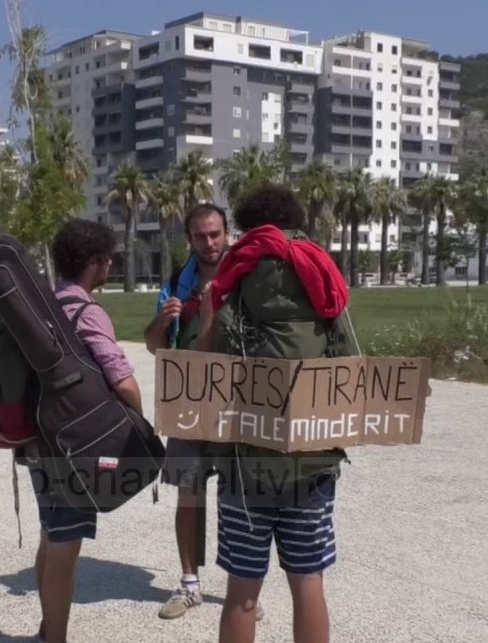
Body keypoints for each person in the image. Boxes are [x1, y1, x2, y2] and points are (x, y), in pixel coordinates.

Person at [193, 184, 350, 643]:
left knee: (242, 589)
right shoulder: (324, 276)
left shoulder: (233, 281)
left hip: (245, 465)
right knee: (308, 583)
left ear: (247, 226)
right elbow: (351, 368)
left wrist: (208, 313)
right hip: (312, 460)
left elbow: (203, 373)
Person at [145, 203, 267, 622]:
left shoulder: (248, 278)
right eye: (201, 236)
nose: (210, 242)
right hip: (190, 403)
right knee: (190, 494)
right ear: (190, 239)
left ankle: (244, 590)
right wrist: (163, 321)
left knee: (242, 498)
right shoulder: (177, 285)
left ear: (227, 232)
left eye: (216, 234)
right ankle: (190, 584)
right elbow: (153, 345)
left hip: (238, 402)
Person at [27, 217, 145, 643]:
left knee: (50, 534)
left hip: (40, 440)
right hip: (75, 450)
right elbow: (122, 380)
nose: (111, 264)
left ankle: (46, 629)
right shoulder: (85, 312)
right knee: (64, 549)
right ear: (95, 261)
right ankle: (54, 638)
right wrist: (138, 423)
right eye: (108, 257)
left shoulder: (42, 304)